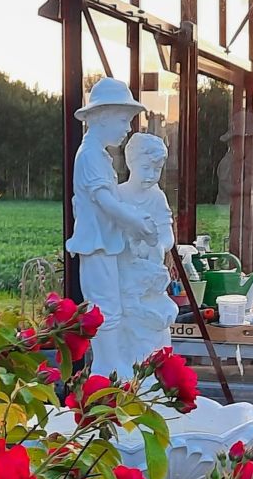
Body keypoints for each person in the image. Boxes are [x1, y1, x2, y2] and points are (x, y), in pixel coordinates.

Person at [68, 78, 152, 377]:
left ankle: (112, 363)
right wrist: (135, 222)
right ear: (101, 118)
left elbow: (112, 200)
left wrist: (135, 218)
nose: (128, 128)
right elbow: (105, 201)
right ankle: (106, 367)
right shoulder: (89, 155)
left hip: (105, 244)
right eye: (123, 120)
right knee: (105, 307)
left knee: (111, 305)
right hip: (96, 245)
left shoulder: (98, 154)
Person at [114, 133, 178, 372]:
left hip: (150, 276)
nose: (151, 176)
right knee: (129, 331)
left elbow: (166, 236)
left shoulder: (157, 197)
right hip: (126, 278)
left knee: (156, 330)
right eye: (146, 168)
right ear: (130, 162)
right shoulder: (118, 196)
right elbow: (111, 237)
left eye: (157, 169)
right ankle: (129, 374)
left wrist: (156, 246)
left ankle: (153, 375)